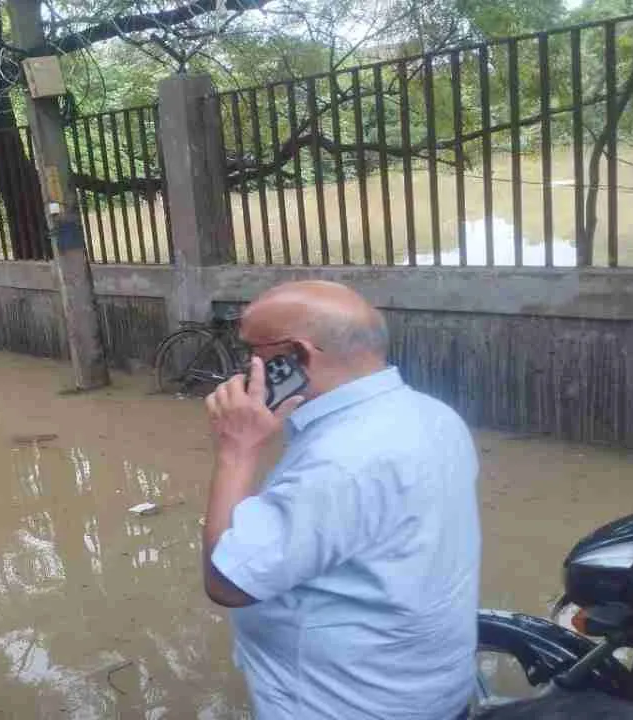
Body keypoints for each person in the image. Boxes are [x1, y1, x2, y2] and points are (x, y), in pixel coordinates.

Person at [202, 280, 480, 719]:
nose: (244, 368)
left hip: (342, 704)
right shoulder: (433, 415)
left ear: (296, 356)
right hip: (427, 688)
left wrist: (237, 450)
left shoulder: (339, 462)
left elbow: (228, 583)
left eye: (252, 352)